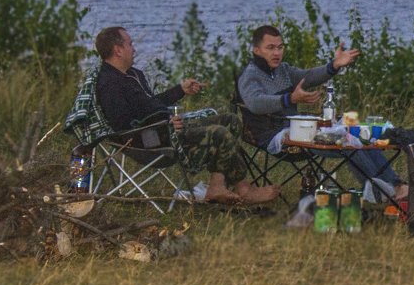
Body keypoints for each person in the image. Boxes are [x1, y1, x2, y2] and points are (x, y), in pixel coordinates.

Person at [93, 26, 277, 205]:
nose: (134, 48)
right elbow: (123, 125)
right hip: (150, 140)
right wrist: (163, 123)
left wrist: (180, 90)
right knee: (219, 133)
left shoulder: (132, 75)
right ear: (118, 50)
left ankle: (220, 185)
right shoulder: (110, 84)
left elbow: (151, 105)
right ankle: (238, 189)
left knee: (231, 120)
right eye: (130, 44)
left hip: (165, 128)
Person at [237, 25, 407, 200]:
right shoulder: (249, 75)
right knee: (346, 141)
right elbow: (255, 103)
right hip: (272, 136)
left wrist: (333, 66)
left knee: (353, 133)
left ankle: (393, 186)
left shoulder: (282, 70)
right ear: (256, 50)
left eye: (280, 47)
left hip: (298, 128)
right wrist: (290, 99)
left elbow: (309, 76)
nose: (277, 53)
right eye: (270, 48)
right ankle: (388, 191)